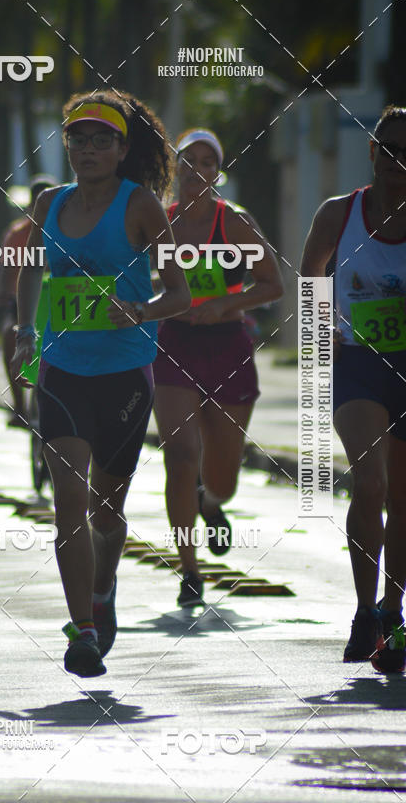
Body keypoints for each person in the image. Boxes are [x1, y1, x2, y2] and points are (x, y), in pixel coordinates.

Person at [11, 90, 190, 677]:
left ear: (121, 150)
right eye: (77, 139)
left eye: (101, 140)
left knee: (105, 511)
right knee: (67, 506)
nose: (87, 149)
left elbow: (178, 293)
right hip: (63, 370)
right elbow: (34, 274)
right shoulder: (48, 203)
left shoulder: (140, 206)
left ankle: (104, 585)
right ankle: (82, 629)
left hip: (124, 373)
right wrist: (23, 332)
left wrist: (139, 311)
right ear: (66, 146)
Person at [152, 129, 284, 607]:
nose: (198, 171)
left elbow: (273, 285)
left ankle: (211, 504)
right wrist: (165, 301)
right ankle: (189, 570)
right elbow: (136, 275)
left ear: (217, 172)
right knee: (180, 458)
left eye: (208, 163)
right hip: (174, 346)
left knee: (223, 476)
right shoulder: (158, 222)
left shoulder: (235, 223)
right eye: (189, 161)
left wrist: (226, 307)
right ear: (175, 167)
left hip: (227, 346)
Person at [300, 104, 406, 674]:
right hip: (359, 364)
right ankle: (365, 609)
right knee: (371, 483)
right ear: (373, 152)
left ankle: (394, 613)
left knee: (404, 500)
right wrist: (321, 342)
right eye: (390, 149)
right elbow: (311, 274)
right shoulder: (340, 215)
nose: (399, 162)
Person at [0, 175, 57, 426]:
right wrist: (2, 292)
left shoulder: (66, 230)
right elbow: (8, 271)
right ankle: (19, 405)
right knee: (9, 336)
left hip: (56, 300)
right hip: (21, 302)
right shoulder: (18, 232)